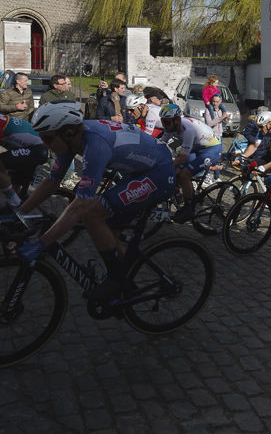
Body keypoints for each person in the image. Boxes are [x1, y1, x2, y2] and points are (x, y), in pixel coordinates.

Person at [7, 100, 175, 300]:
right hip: (139, 172)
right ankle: (126, 281)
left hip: (159, 174)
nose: (44, 144)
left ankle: (116, 280)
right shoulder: (70, 139)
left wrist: (39, 245)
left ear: (68, 133)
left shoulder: (95, 144)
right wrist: (18, 213)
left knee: (92, 214)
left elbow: (80, 206)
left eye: (47, 138)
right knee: (108, 231)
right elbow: (52, 181)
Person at [159, 103, 223, 223]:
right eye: (162, 122)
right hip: (199, 147)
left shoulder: (188, 130)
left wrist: (163, 167)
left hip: (212, 149)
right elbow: (161, 145)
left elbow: (182, 158)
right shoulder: (172, 126)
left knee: (184, 175)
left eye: (166, 122)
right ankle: (193, 198)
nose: (164, 125)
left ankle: (188, 208)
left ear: (177, 120)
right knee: (177, 173)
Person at [0, 113, 48, 210]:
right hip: (30, 147)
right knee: (15, 181)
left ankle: (15, 202)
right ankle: (13, 211)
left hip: (37, 148)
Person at [204, 94, 229, 184]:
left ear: (220, 102)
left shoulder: (222, 110)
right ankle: (207, 177)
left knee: (218, 157)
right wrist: (221, 118)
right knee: (210, 157)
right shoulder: (208, 110)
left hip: (220, 135)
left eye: (217, 102)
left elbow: (225, 123)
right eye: (213, 101)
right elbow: (209, 123)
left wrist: (226, 119)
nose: (215, 103)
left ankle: (217, 177)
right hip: (211, 136)